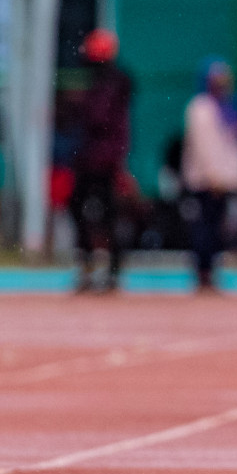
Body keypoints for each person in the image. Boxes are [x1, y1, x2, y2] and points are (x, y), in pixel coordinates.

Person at [69, 29, 134, 295]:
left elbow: (98, 117)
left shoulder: (111, 83)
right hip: (93, 158)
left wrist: (76, 104)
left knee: (106, 215)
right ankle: (91, 267)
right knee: (81, 209)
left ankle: (110, 271)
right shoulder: (104, 82)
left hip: (103, 160)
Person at [181, 58, 237, 294]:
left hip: (223, 181)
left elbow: (233, 146)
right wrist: (213, 176)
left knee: (219, 228)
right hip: (206, 181)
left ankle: (212, 272)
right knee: (204, 229)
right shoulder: (200, 108)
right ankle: (203, 274)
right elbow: (204, 146)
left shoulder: (228, 108)